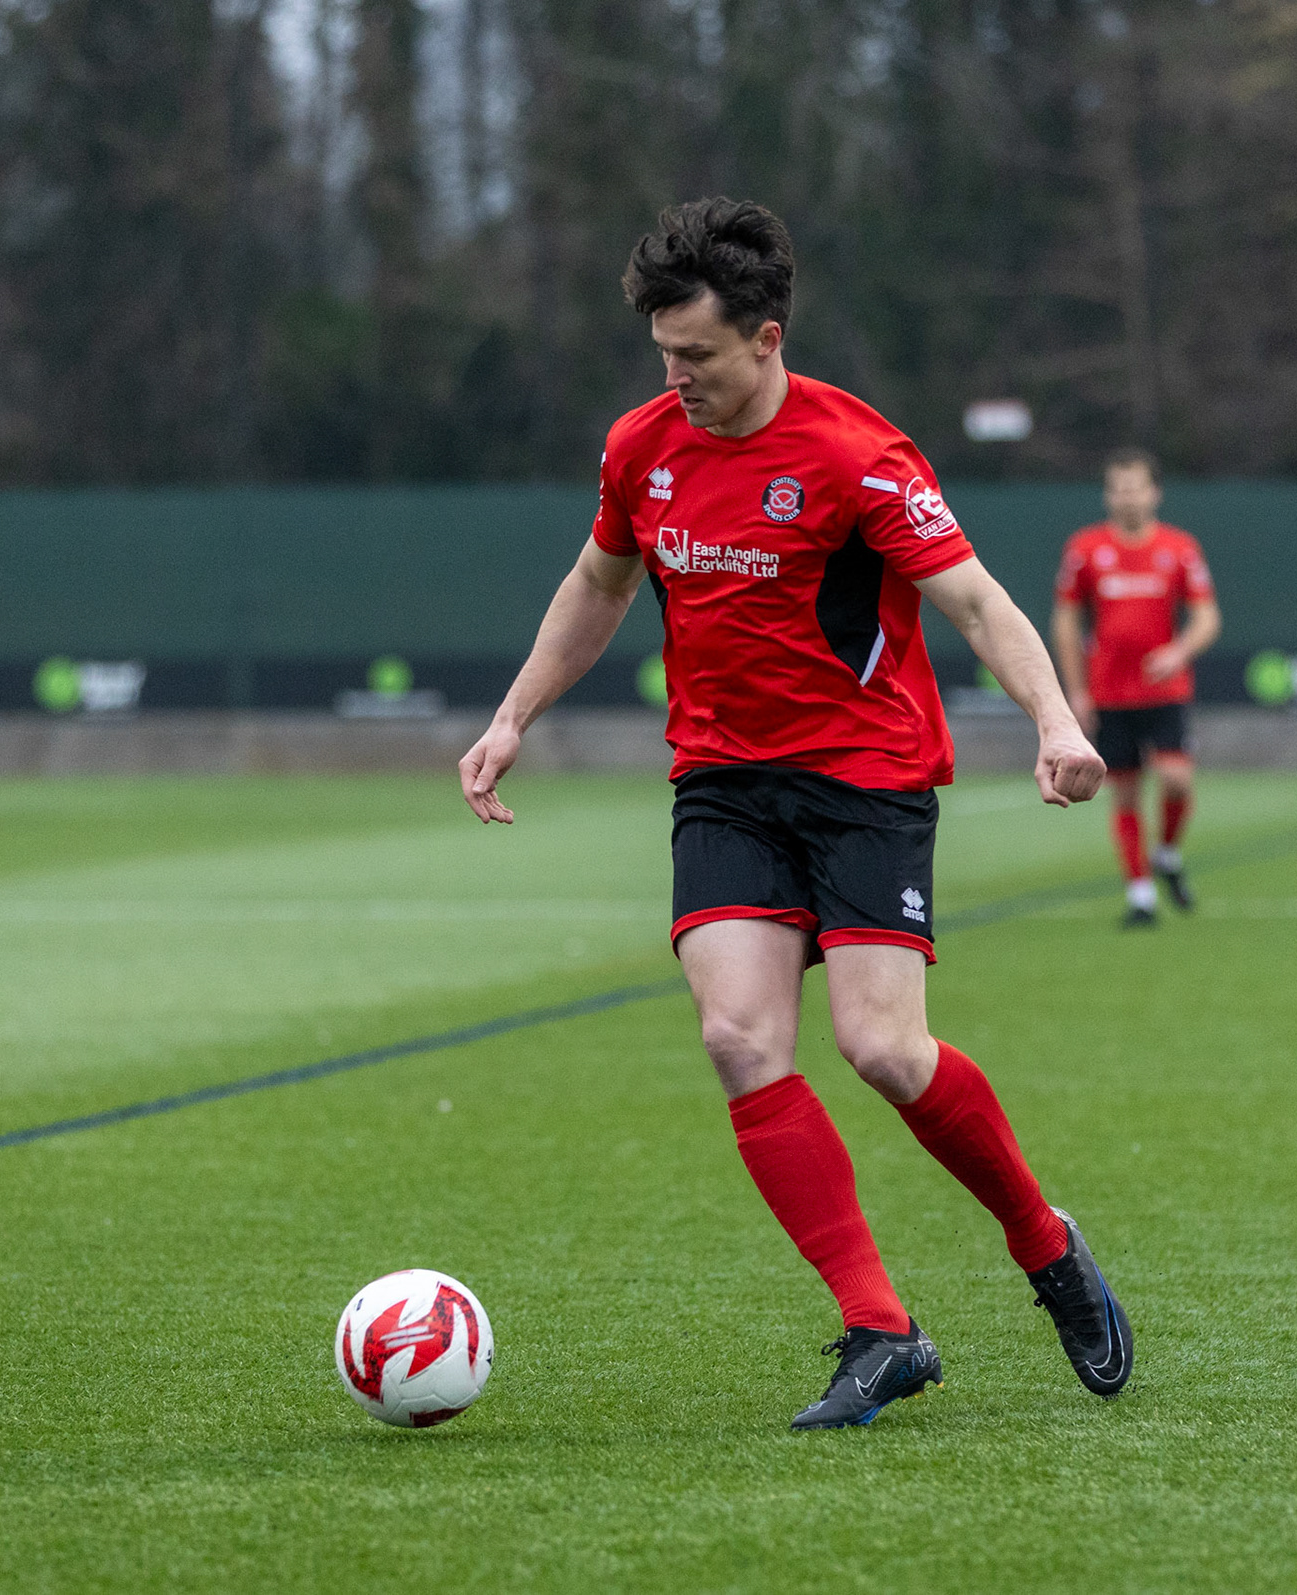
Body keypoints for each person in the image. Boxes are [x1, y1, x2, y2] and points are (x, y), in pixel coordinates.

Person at [459, 199, 1133, 1429]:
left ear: (766, 338)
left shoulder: (859, 454)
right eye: (664, 354)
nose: (677, 378)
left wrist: (1056, 722)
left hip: (865, 776)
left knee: (884, 1048)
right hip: (723, 779)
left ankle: (1044, 1242)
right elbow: (598, 583)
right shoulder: (642, 447)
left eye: (699, 355)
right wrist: (514, 717)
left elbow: (977, 603)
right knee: (737, 1036)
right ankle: (882, 1328)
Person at [1051, 450, 1219, 926]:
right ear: (1108, 494)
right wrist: (1076, 690)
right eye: (1118, 488)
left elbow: (1207, 616)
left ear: (1154, 493)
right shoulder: (1085, 548)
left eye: (1136, 487)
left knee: (1176, 779)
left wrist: (1179, 652)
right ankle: (1141, 894)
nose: (1127, 497)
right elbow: (1066, 621)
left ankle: (1166, 852)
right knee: (1124, 792)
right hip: (1109, 693)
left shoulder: (1179, 547)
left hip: (1165, 692)